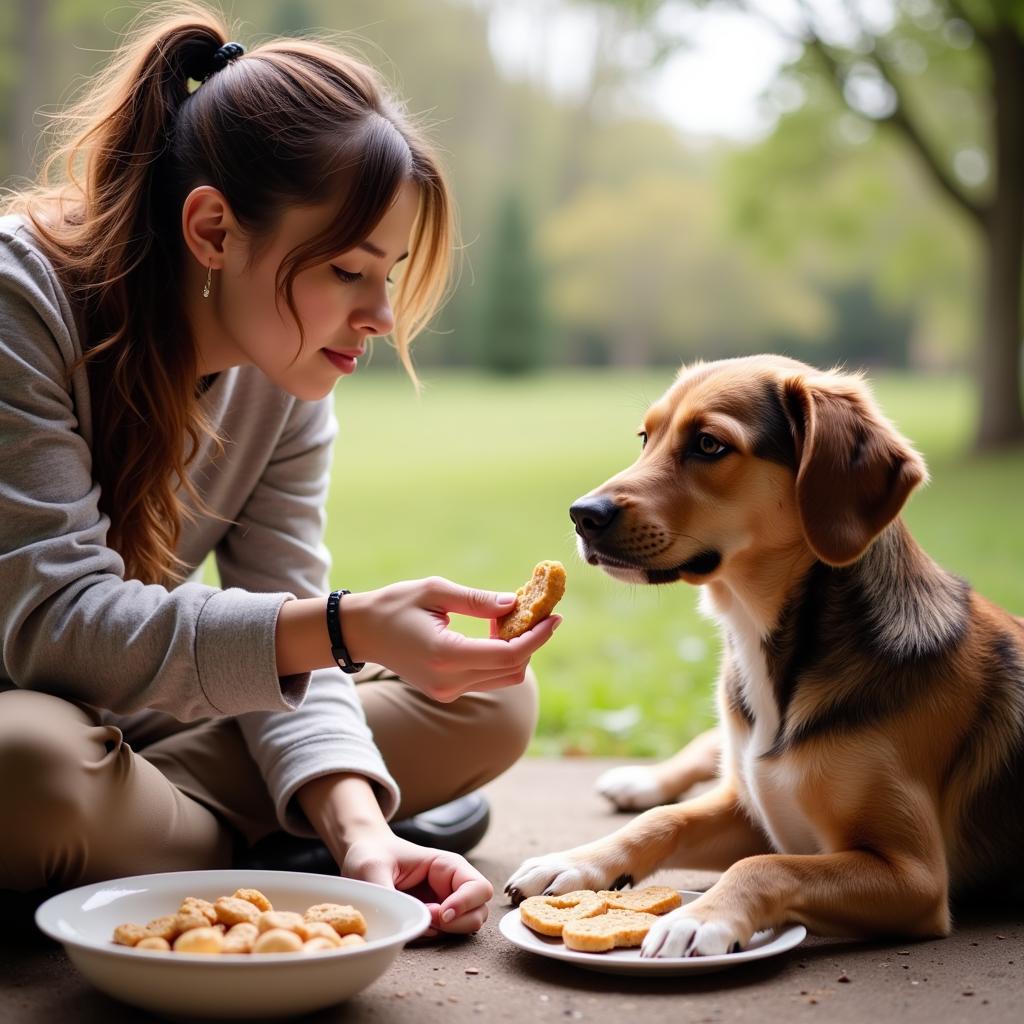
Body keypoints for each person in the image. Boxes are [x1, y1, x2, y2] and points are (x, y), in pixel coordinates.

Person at [0, 5, 560, 939]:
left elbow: (278, 601)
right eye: (346, 269)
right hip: (31, 712)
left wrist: (359, 829)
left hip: (136, 722)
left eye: (392, 270)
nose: (380, 313)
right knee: (27, 770)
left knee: (489, 699)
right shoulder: (23, 303)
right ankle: (245, 840)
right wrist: (339, 627)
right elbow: (51, 631)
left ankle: (198, 843)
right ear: (214, 228)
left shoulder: (287, 367)